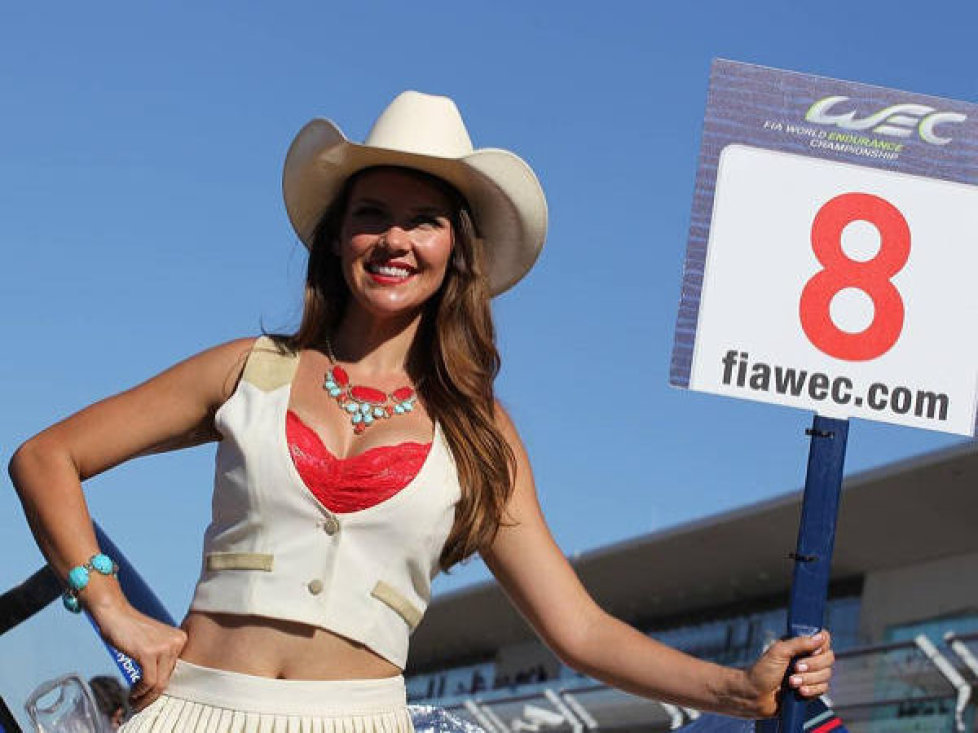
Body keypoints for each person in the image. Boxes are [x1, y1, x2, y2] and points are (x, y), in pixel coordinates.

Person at [9, 91, 834, 732]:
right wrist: (112, 608)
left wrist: (736, 685)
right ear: (337, 238)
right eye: (372, 214)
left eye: (424, 220)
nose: (394, 239)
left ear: (455, 251)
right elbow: (46, 457)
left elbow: (577, 628)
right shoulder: (246, 370)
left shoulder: (479, 431)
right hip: (194, 708)